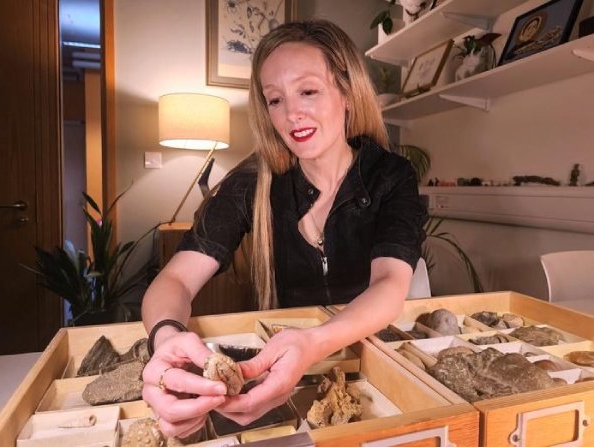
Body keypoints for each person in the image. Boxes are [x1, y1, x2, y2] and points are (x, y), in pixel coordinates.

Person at [141, 19, 427, 438]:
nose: (292, 114)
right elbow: (176, 279)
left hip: (373, 365)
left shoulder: (392, 175)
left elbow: (389, 284)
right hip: (283, 370)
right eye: (275, 99)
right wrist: (166, 337)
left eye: (308, 91)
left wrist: (313, 342)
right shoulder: (252, 182)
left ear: (347, 93)